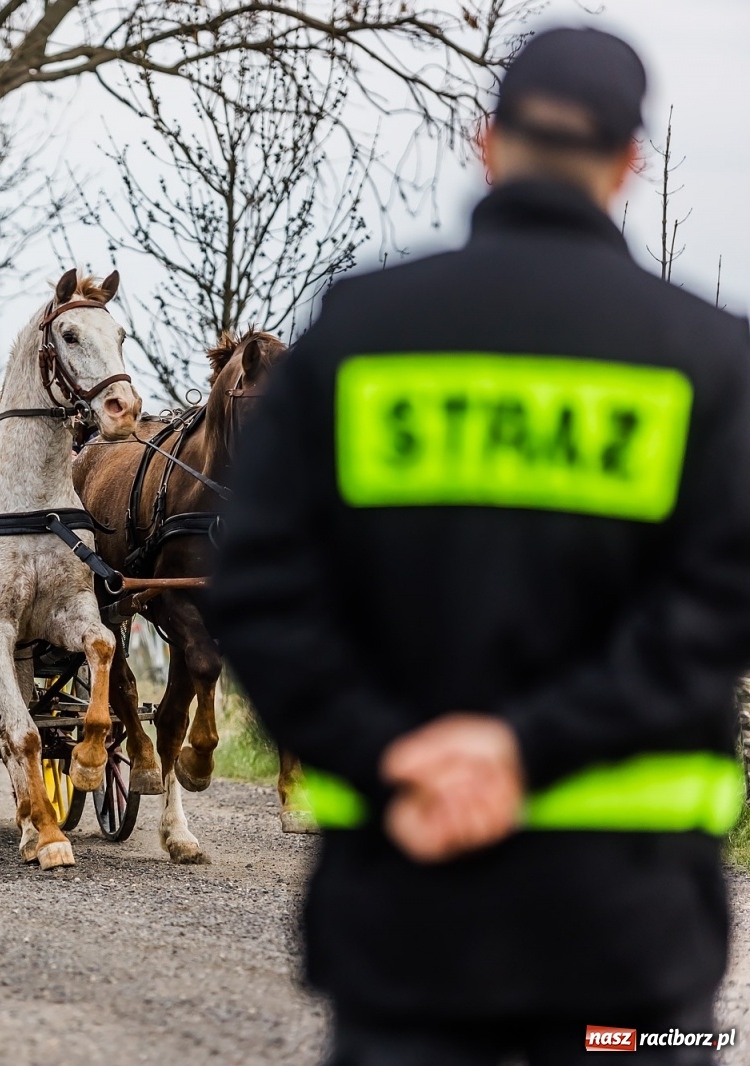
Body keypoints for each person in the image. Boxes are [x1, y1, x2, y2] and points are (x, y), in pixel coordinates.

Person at [207, 28, 750, 1065]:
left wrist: (391, 751)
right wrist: (520, 748)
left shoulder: (354, 335)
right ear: (628, 163)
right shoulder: (706, 356)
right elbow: (718, 606)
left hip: (406, 916)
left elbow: (259, 588)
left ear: (485, 143)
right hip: (625, 934)